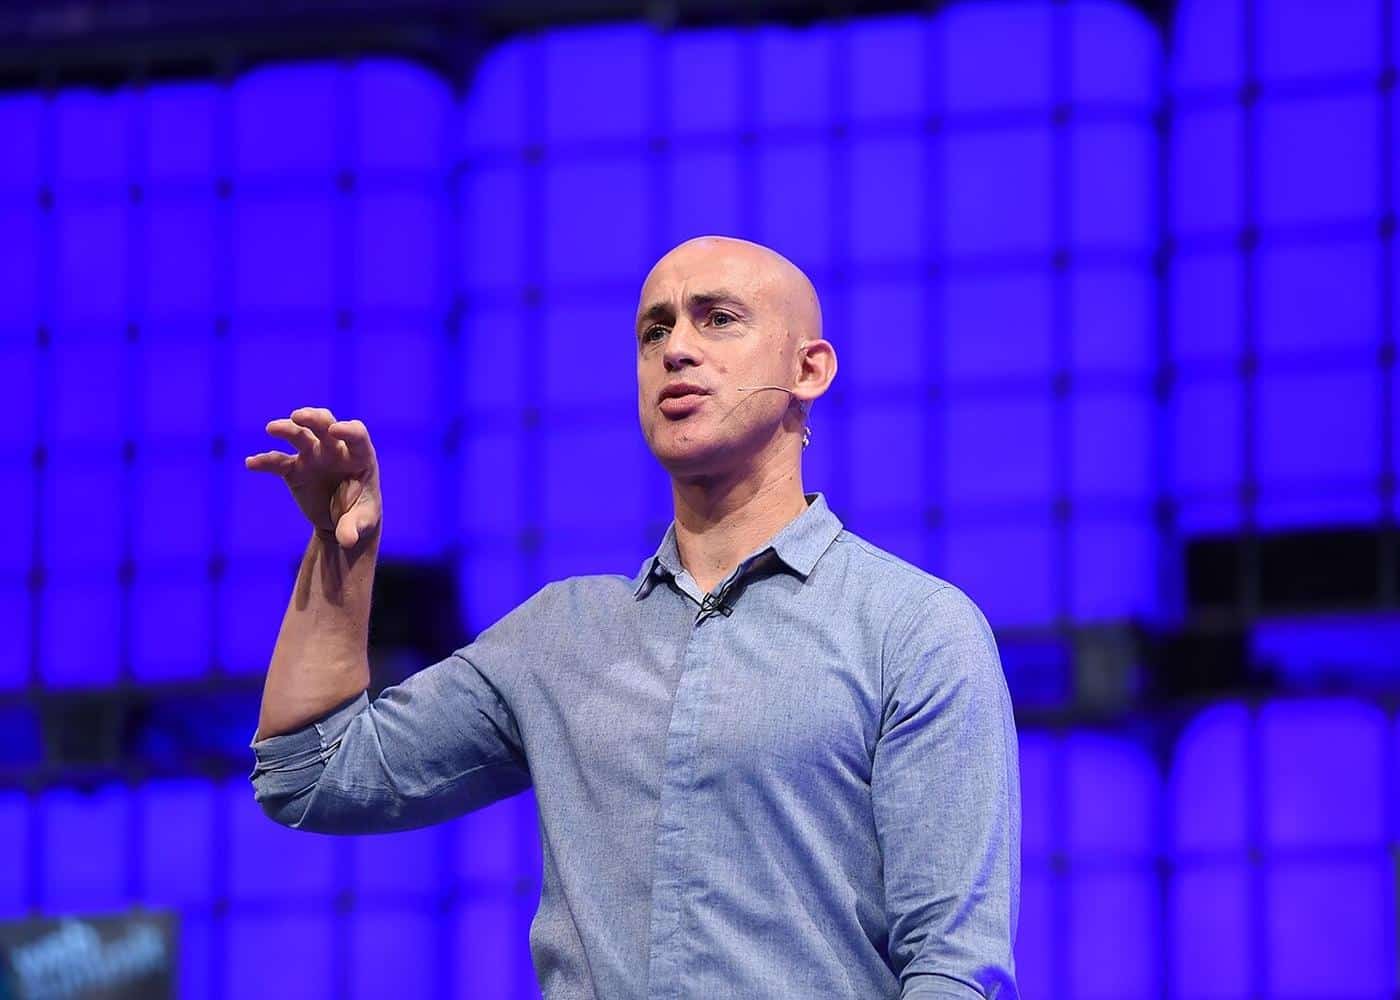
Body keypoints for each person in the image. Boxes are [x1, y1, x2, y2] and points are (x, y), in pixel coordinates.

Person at [245, 235, 1021, 998]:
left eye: (718, 319)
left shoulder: (915, 630)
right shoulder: (562, 636)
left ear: (808, 369)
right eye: (655, 329)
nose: (676, 349)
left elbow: (955, 970)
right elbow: (311, 775)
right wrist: (342, 547)